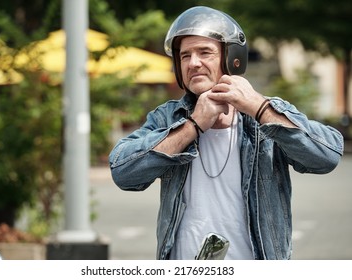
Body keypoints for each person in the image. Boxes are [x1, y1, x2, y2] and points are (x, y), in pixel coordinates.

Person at [108, 6, 344, 260]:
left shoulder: (265, 114)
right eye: (185, 55)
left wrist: (260, 108)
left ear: (233, 58)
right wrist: (193, 126)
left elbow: (327, 156)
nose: (193, 62)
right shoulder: (167, 117)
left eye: (204, 52)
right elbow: (123, 172)